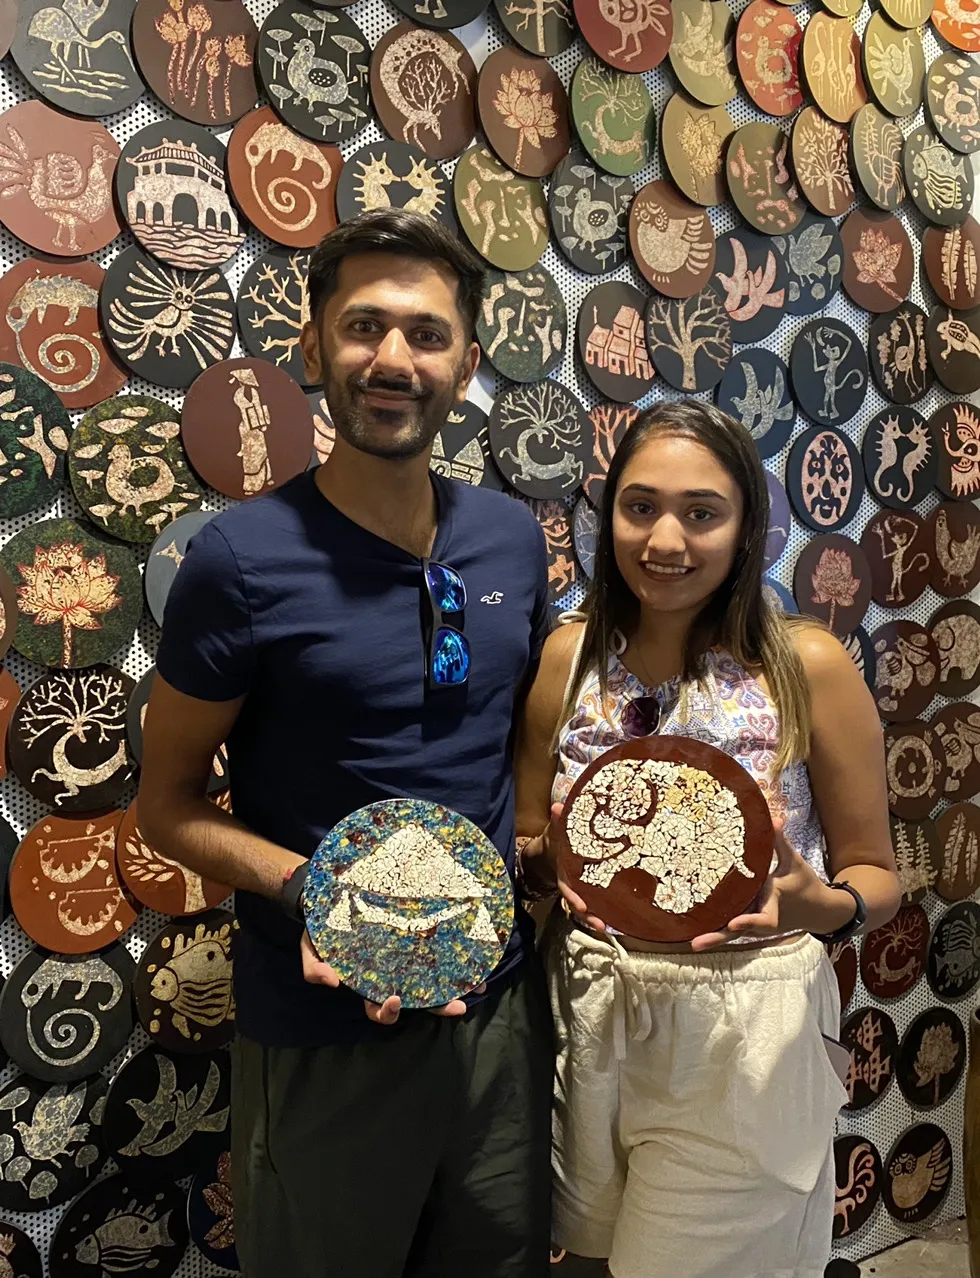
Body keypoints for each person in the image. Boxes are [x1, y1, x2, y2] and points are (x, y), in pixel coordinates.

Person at [138, 210, 554, 1278]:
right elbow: (165, 808)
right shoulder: (239, 562)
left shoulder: (510, 538)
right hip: (324, 1026)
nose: (393, 359)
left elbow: (522, 729)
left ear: (467, 364)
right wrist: (315, 893)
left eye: (426, 334)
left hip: (498, 1015)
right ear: (314, 348)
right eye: (364, 326)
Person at [514, 401, 900, 1278]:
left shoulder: (805, 665)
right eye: (640, 506)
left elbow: (877, 877)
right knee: (584, 1261)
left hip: (747, 1026)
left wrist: (820, 906)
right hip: (589, 1005)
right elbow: (532, 847)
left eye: (701, 512)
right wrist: (548, 863)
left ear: (746, 527)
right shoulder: (567, 660)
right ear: (607, 513)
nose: (666, 540)